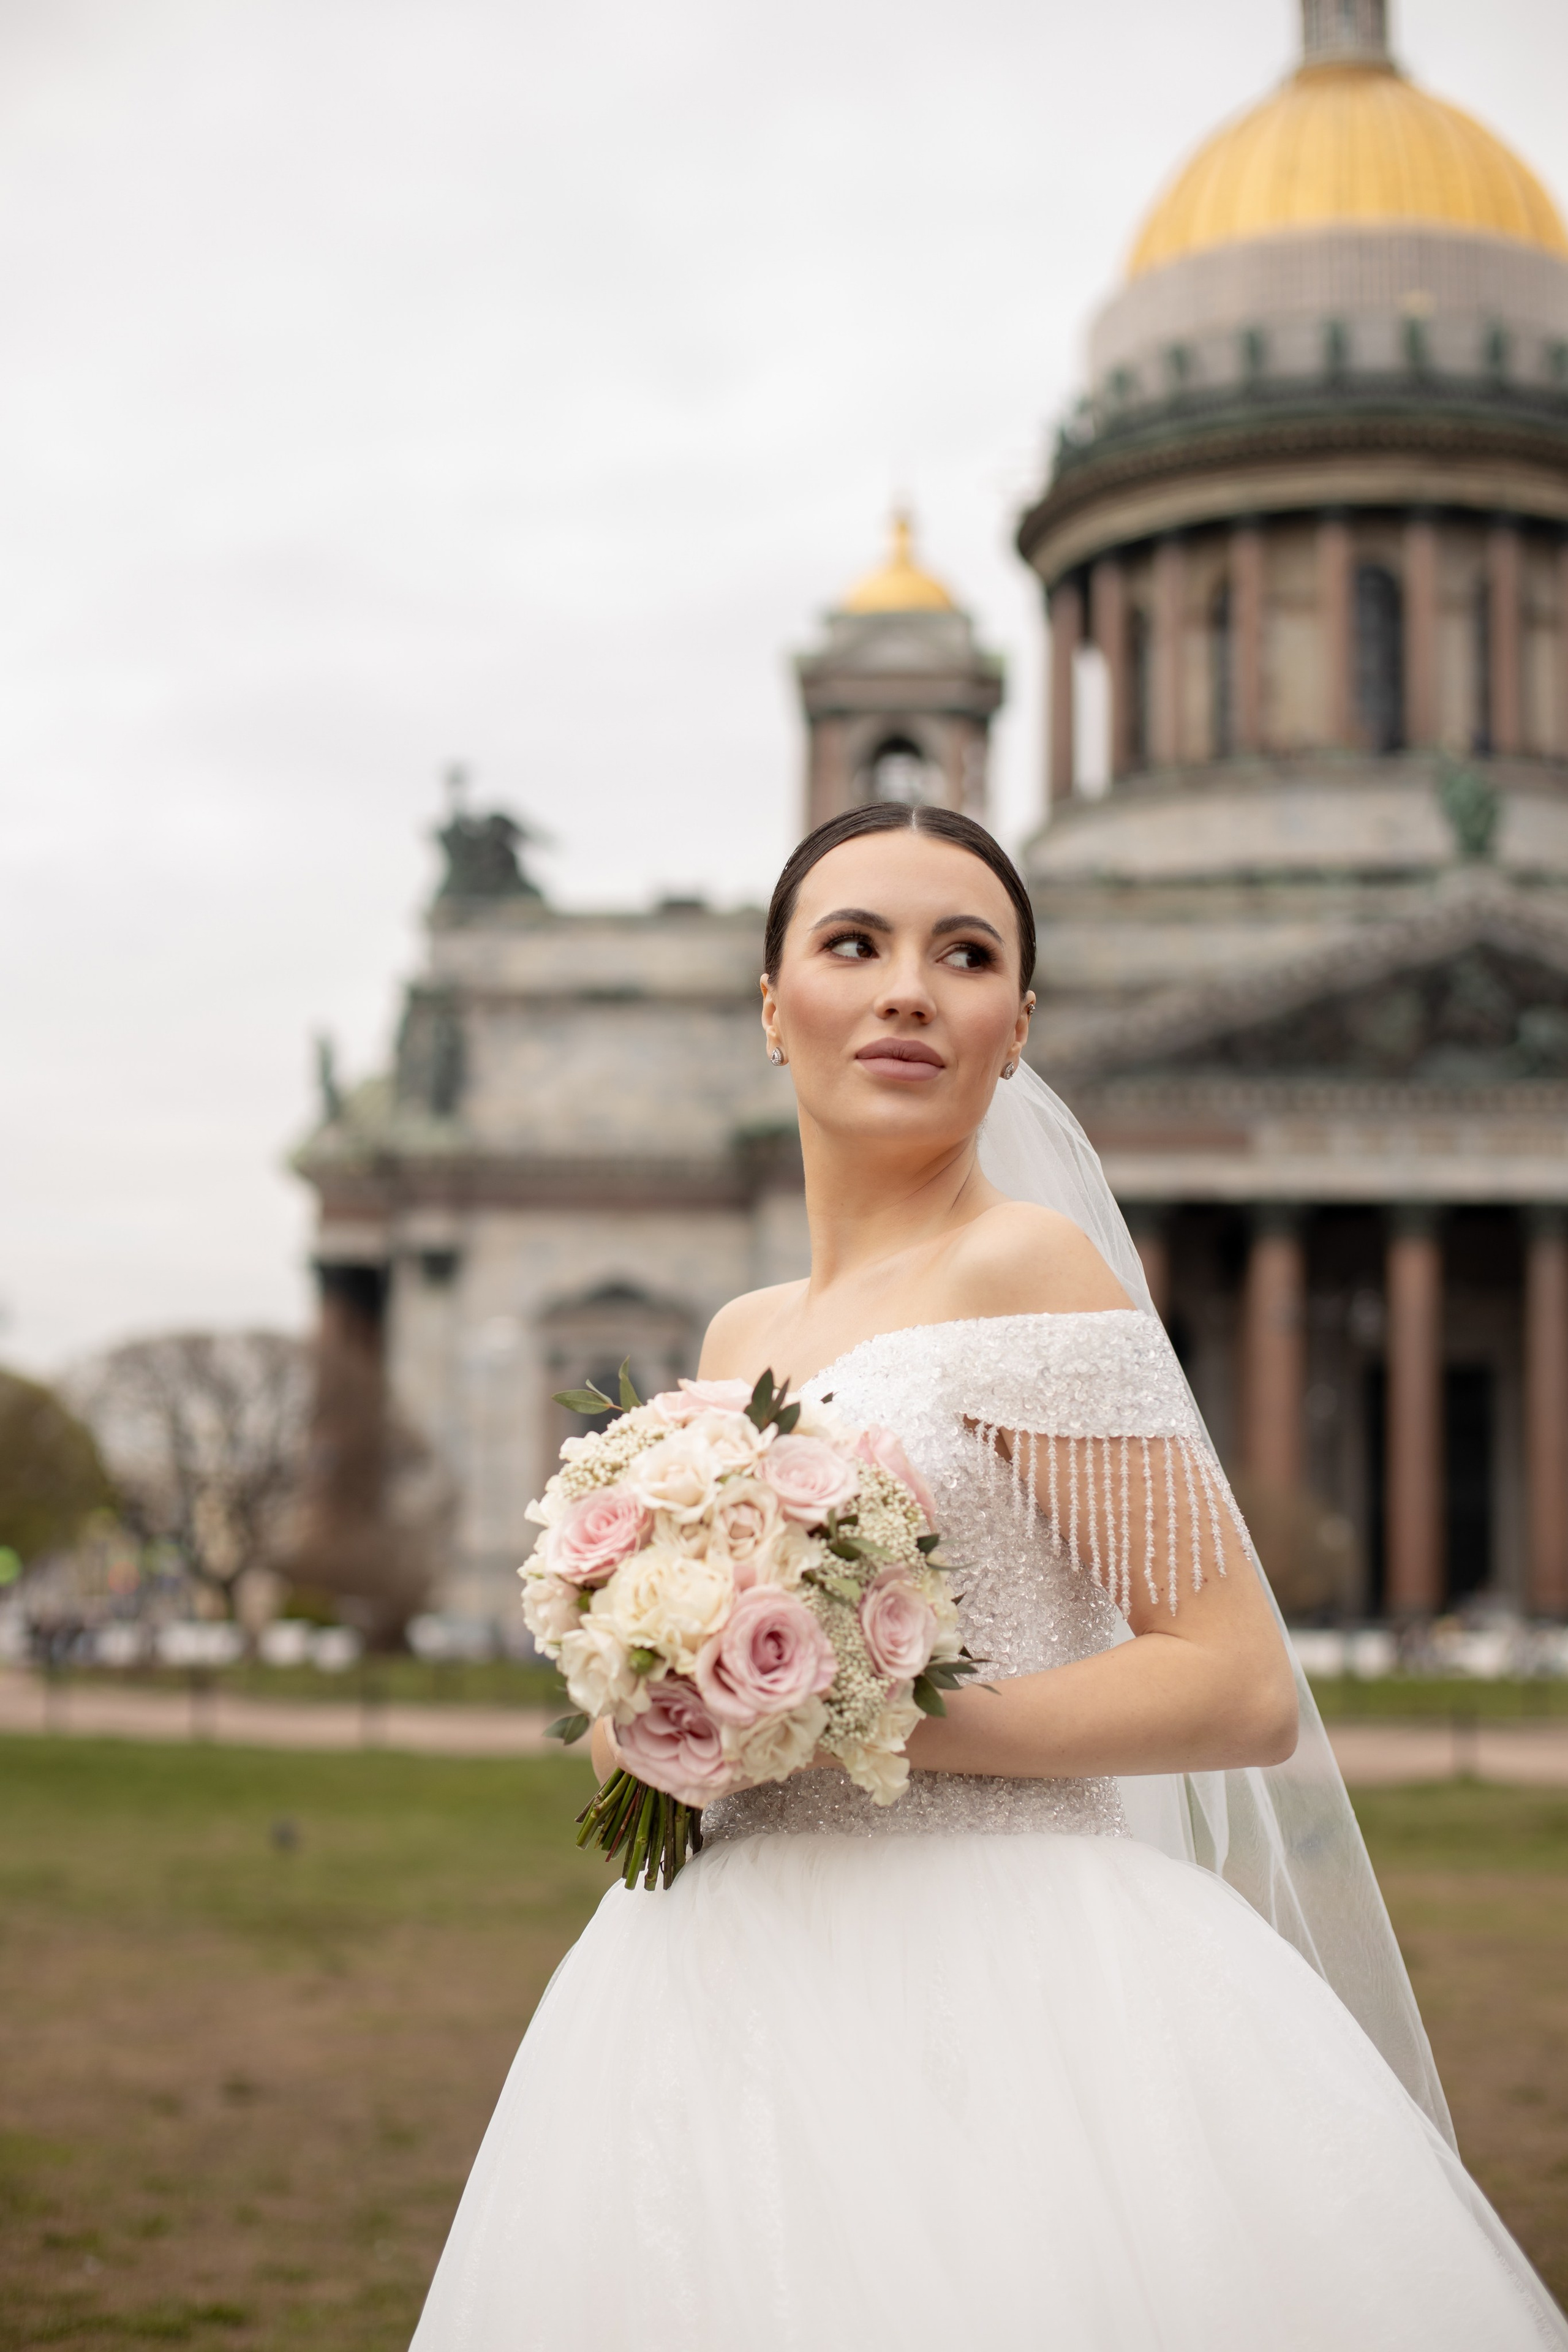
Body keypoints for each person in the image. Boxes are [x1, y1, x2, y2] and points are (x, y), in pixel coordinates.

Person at [411, 804, 1564, 2350]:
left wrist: (852, 1710)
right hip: (714, 1970)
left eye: (963, 956)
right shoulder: (737, 1338)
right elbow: (676, 1730)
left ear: (1015, 1027)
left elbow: (1233, 1685)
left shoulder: (1029, 1267)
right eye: (851, 944)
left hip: (1005, 1968)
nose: (906, 990)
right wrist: (659, 1710)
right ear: (769, 1005)